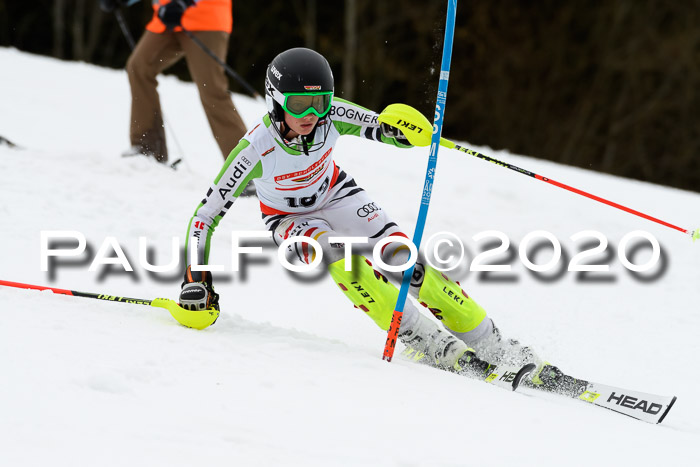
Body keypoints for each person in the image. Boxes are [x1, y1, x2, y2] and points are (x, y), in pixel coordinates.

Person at [176, 47, 578, 391]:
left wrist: (407, 132)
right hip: (289, 219)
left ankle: (496, 346)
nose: (312, 115)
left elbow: (383, 129)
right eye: (299, 104)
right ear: (275, 99)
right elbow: (204, 217)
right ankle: (428, 342)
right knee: (341, 259)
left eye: (321, 104)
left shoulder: (333, 116)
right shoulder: (253, 151)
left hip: (338, 195)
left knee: (405, 262)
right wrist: (197, 279)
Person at [100, 0, 248, 167]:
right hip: (167, 18)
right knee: (138, 68)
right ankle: (147, 148)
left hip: (205, 19)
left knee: (211, 90)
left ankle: (245, 165)